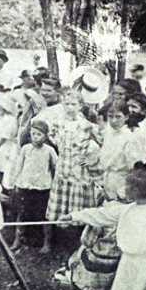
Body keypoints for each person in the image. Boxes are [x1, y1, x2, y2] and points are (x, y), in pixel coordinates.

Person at [43, 88, 100, 253]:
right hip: (63, 169)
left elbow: (99, 145)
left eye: (73, 104)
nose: (69, 107)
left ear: (80, 105)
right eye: (66, 104)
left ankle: (78, 245)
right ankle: (59, 243)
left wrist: (88, 159)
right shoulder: (58, 123)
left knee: (79, 206)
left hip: (79, 172)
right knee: (61, 206)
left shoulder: (87, 126)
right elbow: (53, 137)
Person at [9, 120, 57, 252]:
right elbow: (19, 166)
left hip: (43, 188)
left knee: (44, 216)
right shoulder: (26, 149)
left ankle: (46, 243)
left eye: (39, 134)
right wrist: (15, 182)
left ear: (46, 136)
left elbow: (56, 168)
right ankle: (17, 239)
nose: (35, 137)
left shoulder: (49, 151)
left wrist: (53, 183)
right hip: (26, 187)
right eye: (33, 134)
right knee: (22, 214)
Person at [92, 101, 146, 201]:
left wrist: (124, 191)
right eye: (110, 116)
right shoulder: (108, 133)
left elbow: (133, 167)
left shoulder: (129, 137)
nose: (114, 120)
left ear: (126, 117)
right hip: (107, 181)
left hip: (121, 182)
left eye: (118, 117)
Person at [0, 92, 18, 189]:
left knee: (4, 168)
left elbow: (5, 136)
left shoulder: (11, 119)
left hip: (5, 146)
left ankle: (4, 188)